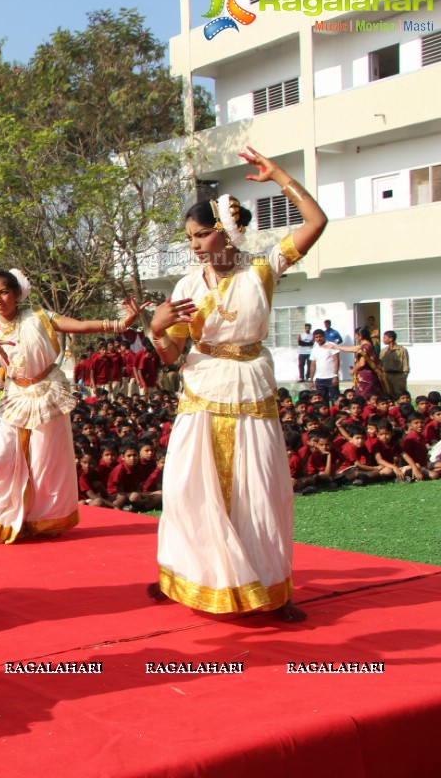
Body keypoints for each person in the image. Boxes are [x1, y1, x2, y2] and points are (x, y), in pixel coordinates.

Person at [147, 147, 327, 622]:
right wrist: (156, 327)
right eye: (190, 238)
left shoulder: (263, 269)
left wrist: (281, 177)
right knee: (190, 485)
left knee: (260, 488)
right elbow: (168, 354)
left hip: (250, 384)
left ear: (226, 229)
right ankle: (188, 573)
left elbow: (316, 222)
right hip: (202, 387)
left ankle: (271, 587)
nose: (196, 245)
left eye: (202, 234)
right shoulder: (187, 287)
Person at [0, 269, 143, 543]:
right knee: (2, 458)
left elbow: (81, 325)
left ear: (17, 294)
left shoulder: (39, 318)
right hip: (15, 396)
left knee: (44, 462)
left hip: (47, 394)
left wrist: (120, 324)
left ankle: (38, 521)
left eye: (3, 291)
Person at [326, 328, 388, 401]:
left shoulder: (365, 346)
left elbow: (362, 363)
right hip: (368, 376)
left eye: (356, 335)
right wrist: (335, 347)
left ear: (360, 335)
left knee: (365, 399)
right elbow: (351, 349)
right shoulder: (365, 345)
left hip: (365, 378)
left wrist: (353, 370)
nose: (355, 336)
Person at [307, 329, 341, 404]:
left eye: (320, 336)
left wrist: (335, 376)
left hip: (331, 378)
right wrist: (311, 380)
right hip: (319, 379)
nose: (318, 339)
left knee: (335, 400)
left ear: (324, 336)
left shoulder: (331, 345)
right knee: (322, 402)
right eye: (316, 337)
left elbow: (337, 360)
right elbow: (313, 365)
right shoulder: (314, 349)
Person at [380, 331, 409, 399]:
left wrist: (403, 379)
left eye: (384, 338)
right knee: (388, 396)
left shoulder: (402, 350)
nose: (383, 340)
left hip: (398, 376)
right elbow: (380, 364)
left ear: (391, 339)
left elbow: (405, 365)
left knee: (400, 395)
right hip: (387, 375)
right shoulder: (383, 351)